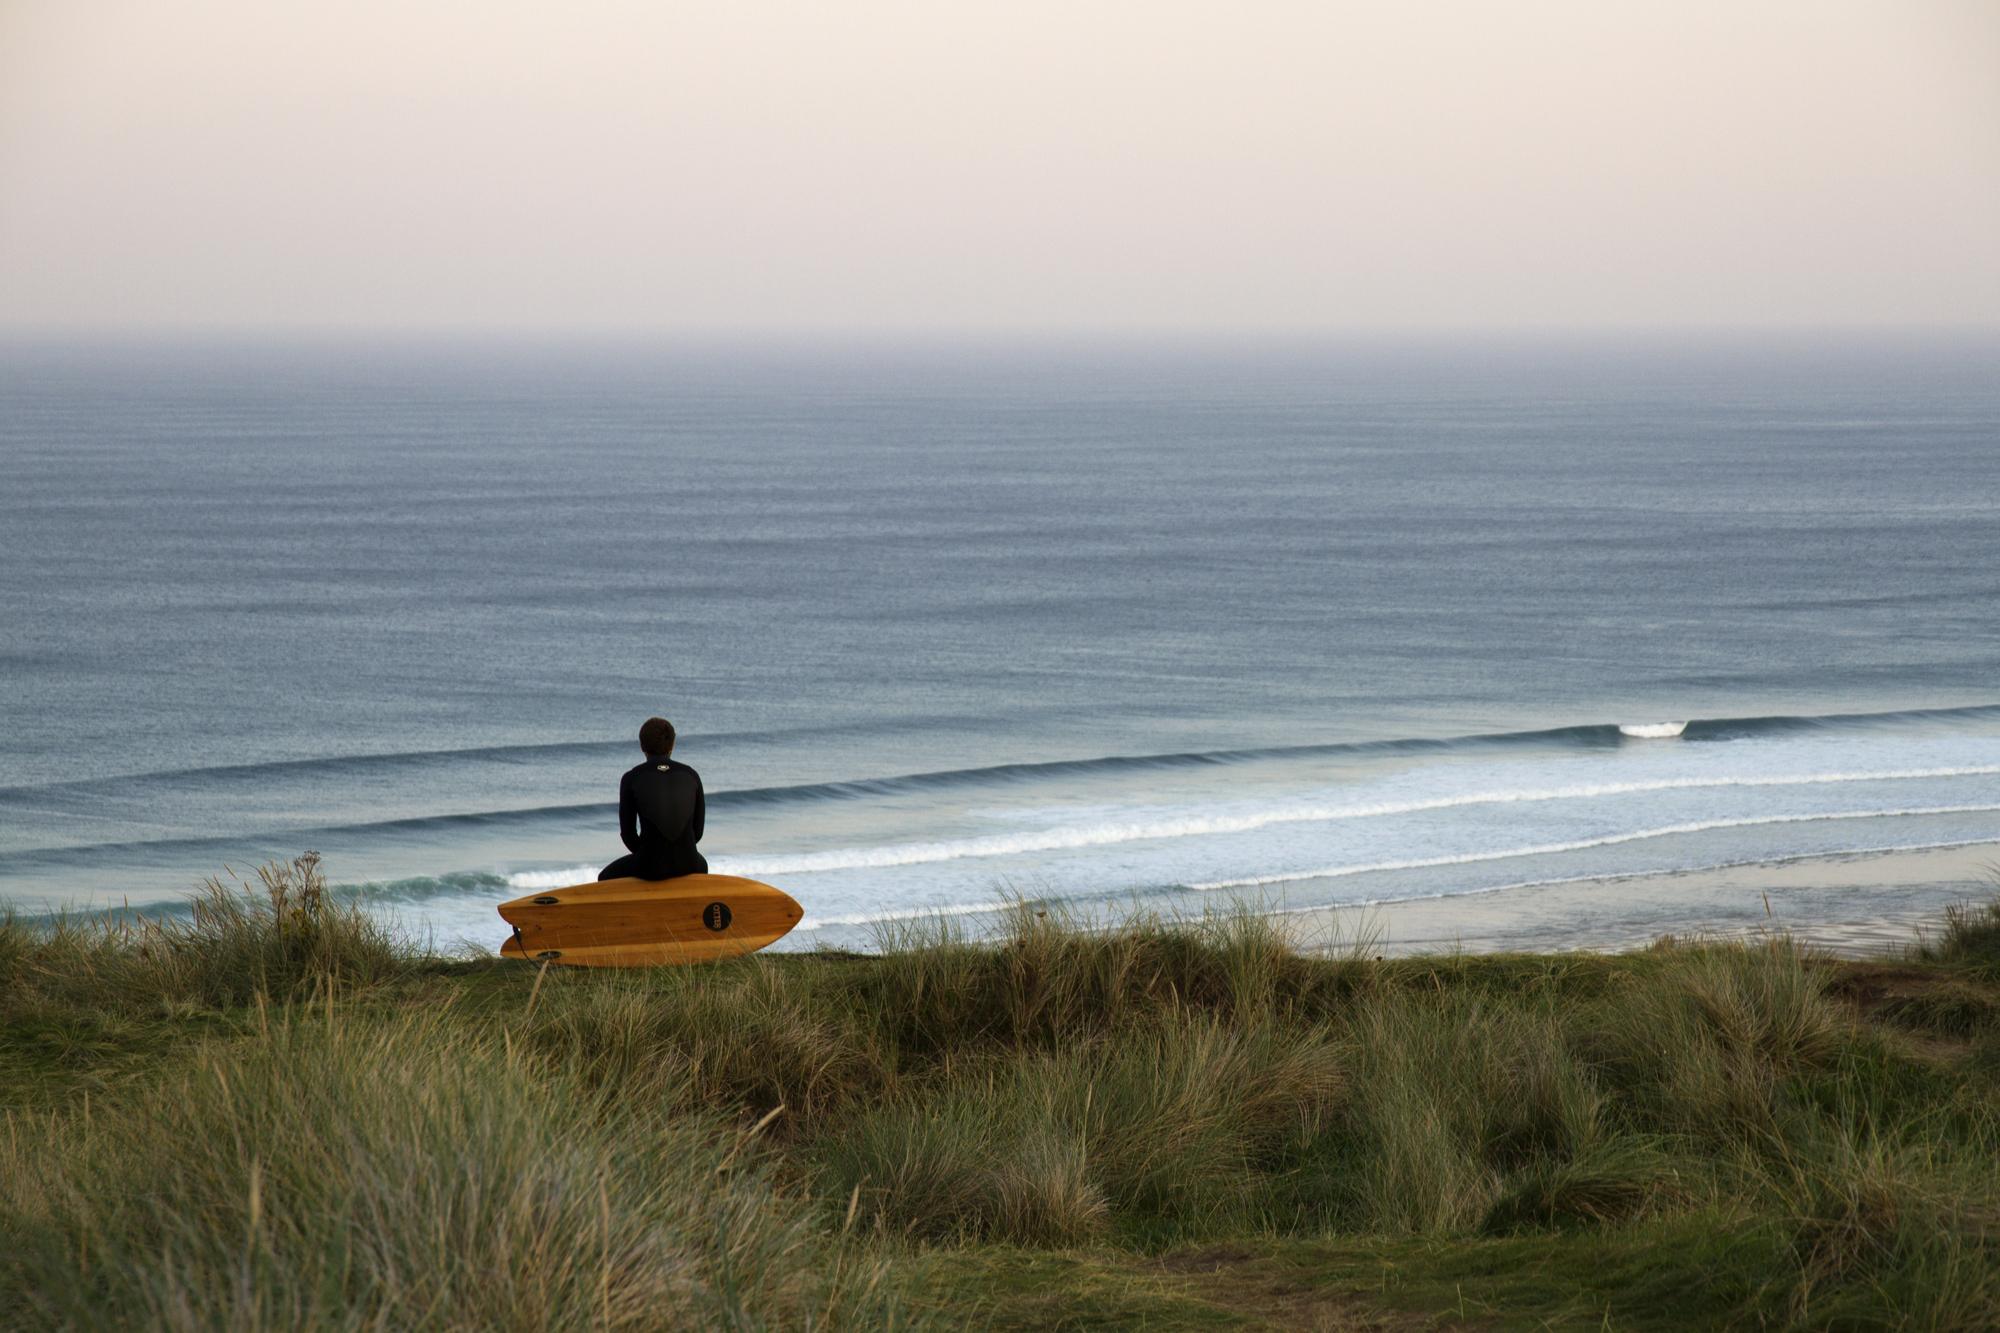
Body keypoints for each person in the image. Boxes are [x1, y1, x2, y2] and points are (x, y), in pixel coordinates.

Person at [598, 716, 709, 881]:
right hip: (689, 863)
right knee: (703, 865)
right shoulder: (691, 774)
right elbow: (697, 833)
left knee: (604, 877)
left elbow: (628, 835)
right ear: (672, 745)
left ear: (642, 746)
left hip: (649, 865)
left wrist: (648, 854)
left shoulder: (631, 778)